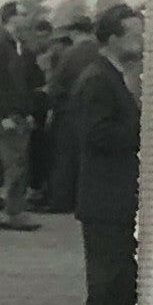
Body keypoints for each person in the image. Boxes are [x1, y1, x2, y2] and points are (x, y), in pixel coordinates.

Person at [70, 5, 144, 305]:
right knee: (109, 283)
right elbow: (95, 136)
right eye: (134, 32)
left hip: (114, 198)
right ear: (113, 38)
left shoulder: (113, 76)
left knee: (120, 282)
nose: (141, 39)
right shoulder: (98, 80)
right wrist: (143, 128)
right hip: (105, 200)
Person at [0, 1, 39, 231]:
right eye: (22, 14)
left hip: (5, 111)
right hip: (4, 113)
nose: (26, 18)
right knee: (15, 162)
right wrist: (5, 115)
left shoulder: (11, 44)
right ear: (12, 18)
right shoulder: (2, 45)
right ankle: (15, 212)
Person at [41, 14, 101, 214]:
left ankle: (61, 200)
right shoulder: (100, 51)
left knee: (65, 156)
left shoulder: (71, 54)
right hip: (95, 110)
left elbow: (57, 84)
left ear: (74, 32)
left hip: (68, 110)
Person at [23, 18, 56, 207]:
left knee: (41, 147)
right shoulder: (33, 55)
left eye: (45, 36)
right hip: (37, 104)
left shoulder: (47, 54)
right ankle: (36, 187)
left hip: (43, 104)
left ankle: (38, 187)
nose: (42, 39)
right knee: (36, 147)